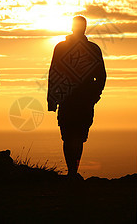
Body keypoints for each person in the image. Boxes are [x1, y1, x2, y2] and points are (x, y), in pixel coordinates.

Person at [47, 16, 106, 180]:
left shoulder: (91, 49)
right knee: (71, 135)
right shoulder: (63, 47)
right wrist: (52, 99)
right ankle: (72, 171)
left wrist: (95, 94)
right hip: (71, 99)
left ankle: (72, 171)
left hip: (80, 99)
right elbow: (54, 73)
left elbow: (100, 75)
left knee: (75, 136)